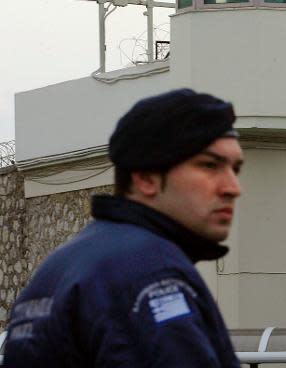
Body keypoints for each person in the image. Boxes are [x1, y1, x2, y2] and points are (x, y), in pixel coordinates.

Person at [3, 89, 244, 367]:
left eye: (234, 169)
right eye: (209, 165)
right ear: (145, 178)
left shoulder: (58, 270)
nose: (233, 188)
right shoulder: (150, 275)